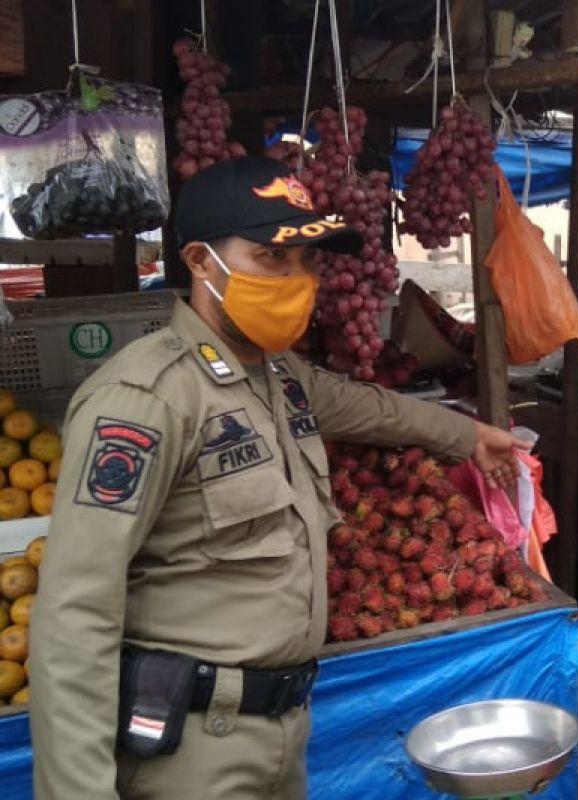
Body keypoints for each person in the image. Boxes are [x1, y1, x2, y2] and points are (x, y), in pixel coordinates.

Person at [29, 157, 531, 799]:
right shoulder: (145, 398)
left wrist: (466, 434)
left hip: (282, 731)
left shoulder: (278, 376)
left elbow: (366, 407)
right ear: (201, 263)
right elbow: (75, 614)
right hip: (191, 746)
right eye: (272, 258)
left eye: (308, 262)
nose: (298, 281)